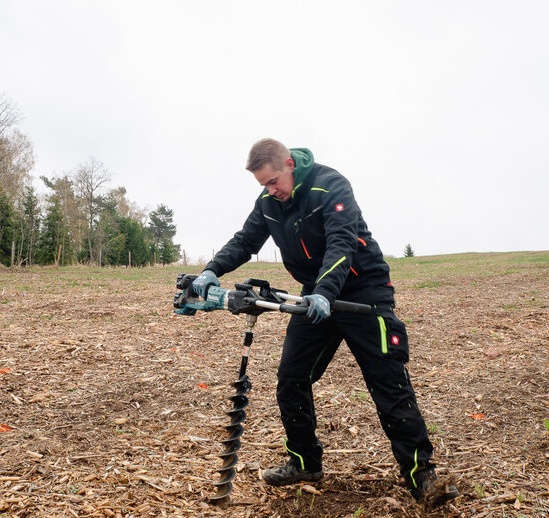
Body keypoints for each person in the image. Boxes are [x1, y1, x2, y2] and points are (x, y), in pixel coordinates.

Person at [193, 138, 459, 506]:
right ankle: (305, 462)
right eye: (263, 186)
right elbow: (245, 240)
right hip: (314, 295)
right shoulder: (269, 203)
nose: (271, 191)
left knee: (388, 382)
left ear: (288, 164)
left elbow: (341, 243)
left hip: (363, 290)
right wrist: (211, 269)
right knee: (291, 377)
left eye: (273, 182)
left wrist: (325, 291)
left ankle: (421, 476)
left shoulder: (330, 185)